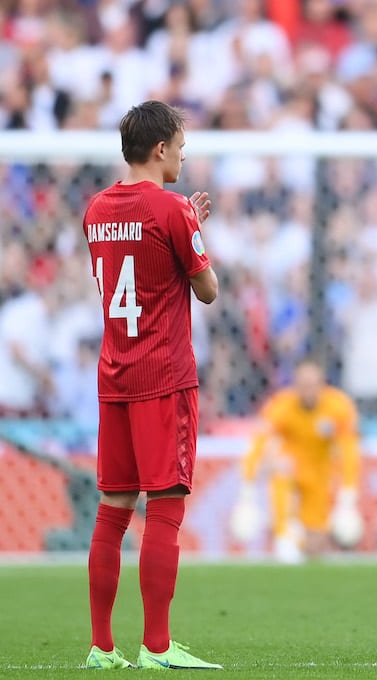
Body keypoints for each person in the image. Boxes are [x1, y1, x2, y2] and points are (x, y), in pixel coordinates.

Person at [82, 101, 222, 670]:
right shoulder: (172, 211)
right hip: (163, 375)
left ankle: (101, 647)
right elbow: (207, 289)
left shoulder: (95, 209)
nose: (185, 155)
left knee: (113, 508)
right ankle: (158, 647)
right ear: (160, 148)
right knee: (164, 506)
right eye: (182, 146)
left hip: (114, 373)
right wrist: (187, 227)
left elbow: (135, 258)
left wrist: (179, 223)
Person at [233, 359, 362, 563]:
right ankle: (284, 530)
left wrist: (347, 497)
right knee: (286, 543)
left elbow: (349, 453)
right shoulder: (281, 406)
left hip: (320, 474)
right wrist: (247, 494)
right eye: (303, 385)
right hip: (289, 469)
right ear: (295, 385)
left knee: (315, 547)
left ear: (322, 385)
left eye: (313, 385)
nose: (308, 390)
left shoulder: (338, 407)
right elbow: (258, 445)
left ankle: (297, 536)